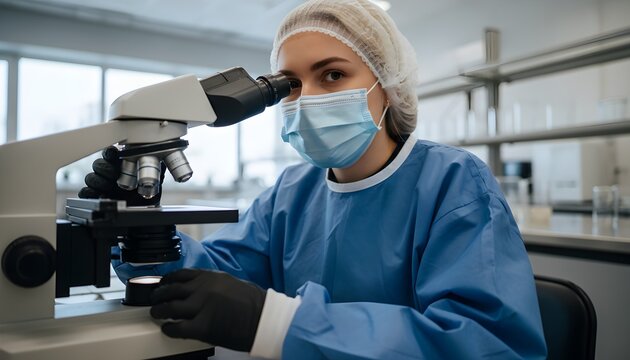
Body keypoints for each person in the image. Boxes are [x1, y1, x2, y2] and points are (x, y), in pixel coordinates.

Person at [80, 0, 547, 358]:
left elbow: (486, 342)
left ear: (387, 83)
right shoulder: (292, 192)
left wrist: (281, 324)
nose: (307, 99)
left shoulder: (454, 184)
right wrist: (141, 229)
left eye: (333, 75)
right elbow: (210, 276)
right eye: (291, 85)